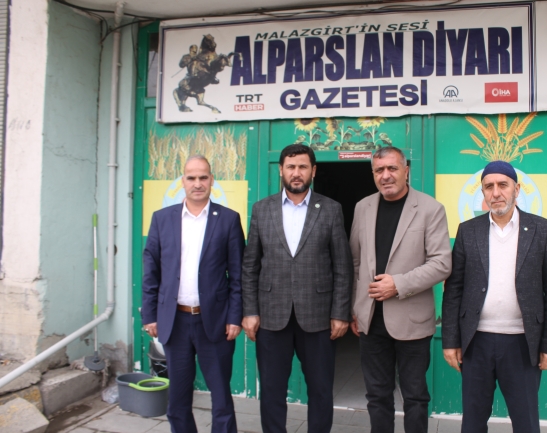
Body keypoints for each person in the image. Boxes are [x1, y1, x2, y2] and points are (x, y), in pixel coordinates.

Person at [441, 160, 547, 433]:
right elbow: (454, 289)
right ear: (483, 193)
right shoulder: (468, 230)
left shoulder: (543, 229)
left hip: (523, 343)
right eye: (489, 187)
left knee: (526, 422)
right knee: (472, 422)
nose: (496, 192)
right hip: (476, 341)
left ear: (516, 189)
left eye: (502, 185)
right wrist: (450, 341)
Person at [241, 144, 353, 433]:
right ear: (281, 170)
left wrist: (340, 313)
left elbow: (342, 266)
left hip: (318, 317)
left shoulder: (330, 209)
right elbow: (250, 265)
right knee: (271, 390)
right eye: (290, 167)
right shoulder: (262, 209)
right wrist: (250, 311)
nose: (296, 172)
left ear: (313, 171)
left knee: (320, 389)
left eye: (303, 167)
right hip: (271, 316)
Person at [349, 146, 452, 433]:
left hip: (412, 321)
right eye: (379, 170)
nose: (385, 175)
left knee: (415, 397)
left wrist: (398, 284)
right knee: (377, 396)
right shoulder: (362, 207)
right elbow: (356, 262)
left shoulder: (430, 208)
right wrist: (355, 309)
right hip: (370, 320)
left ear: (406, 171)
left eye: (392, 168)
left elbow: (442, 263)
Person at [142, 155, 245, 433]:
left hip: (215, 321)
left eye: (203, 177)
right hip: (174, 321)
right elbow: (151, 271)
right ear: (183, 181)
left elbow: (238, 275)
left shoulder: (228, 219)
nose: (197, 183)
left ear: (211, 180)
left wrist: (235, 317)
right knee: (177, 398)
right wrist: (150, 315)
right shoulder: (162, 219)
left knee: (221, 395)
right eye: (191, 178)